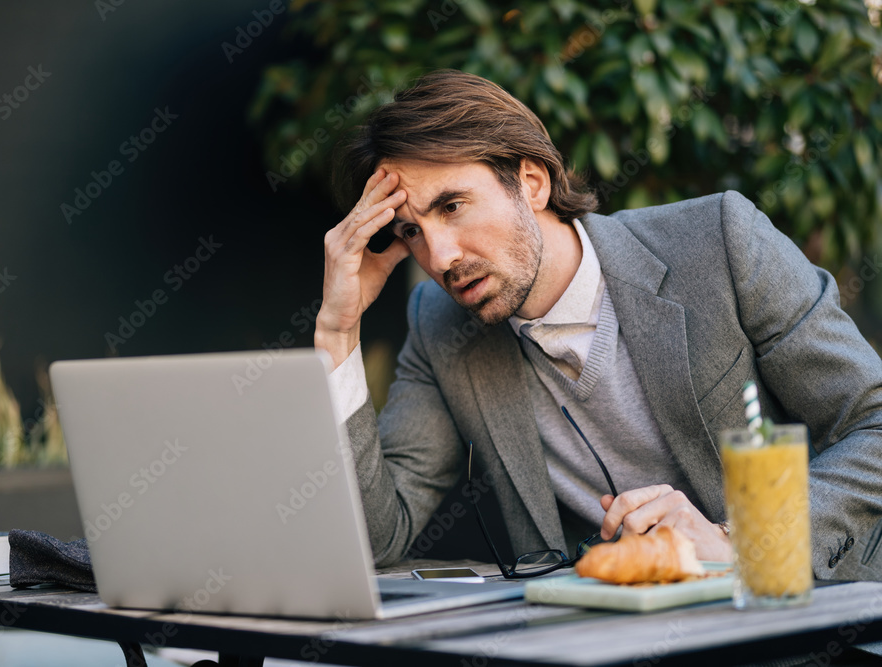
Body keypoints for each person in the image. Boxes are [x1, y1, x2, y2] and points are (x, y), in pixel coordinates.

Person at [314, 69, 882, 580]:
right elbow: (377, 539)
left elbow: (873, 424)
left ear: (531, 182)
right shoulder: (439, 327)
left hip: (796, 622)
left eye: (452, 206)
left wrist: (743, 543)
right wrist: (338, 332)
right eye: (410, 230)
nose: (438, 257)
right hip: (597, 640)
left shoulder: (720, 243)